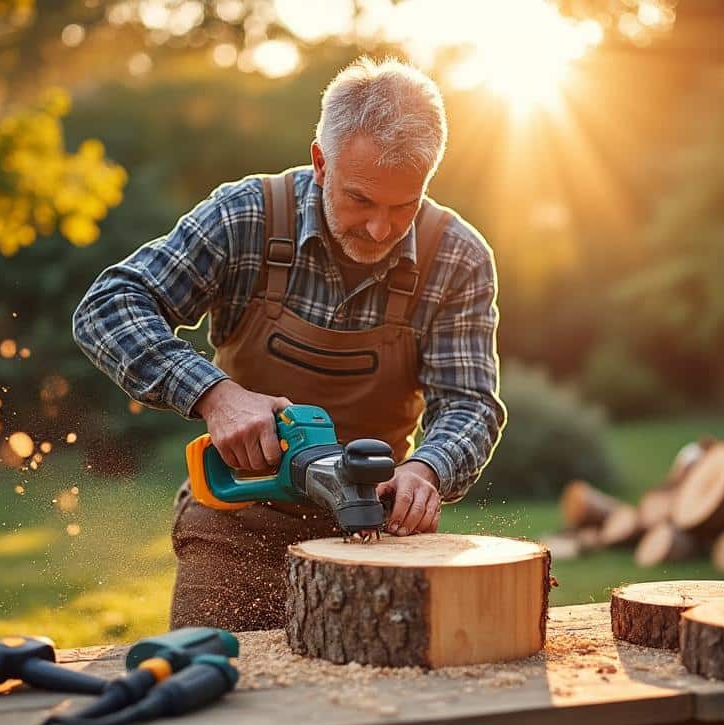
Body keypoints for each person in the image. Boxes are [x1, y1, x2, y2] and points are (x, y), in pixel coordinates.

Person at [73, 58, 506, 631]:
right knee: (213, 678)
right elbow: (108, 306)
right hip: (238, 521)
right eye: (361, 200)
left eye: (403, 206)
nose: (380, 228)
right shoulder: (246, 215)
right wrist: (215, 395)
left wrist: (427, 469)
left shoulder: (456, 256)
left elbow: (469, 403)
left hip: (376, 534)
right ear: (321, 163)